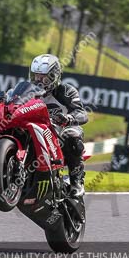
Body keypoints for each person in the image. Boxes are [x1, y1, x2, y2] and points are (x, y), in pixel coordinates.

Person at [28, 54, 88, 197]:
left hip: (60, 134)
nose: (38, 80)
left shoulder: (66, 91)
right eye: (35, 76)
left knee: (72, 135)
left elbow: (82, 114)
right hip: (37, 133)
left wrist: (68, 118)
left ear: (54, 76)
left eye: (43, 77)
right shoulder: (28, 92)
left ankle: (77, 182)